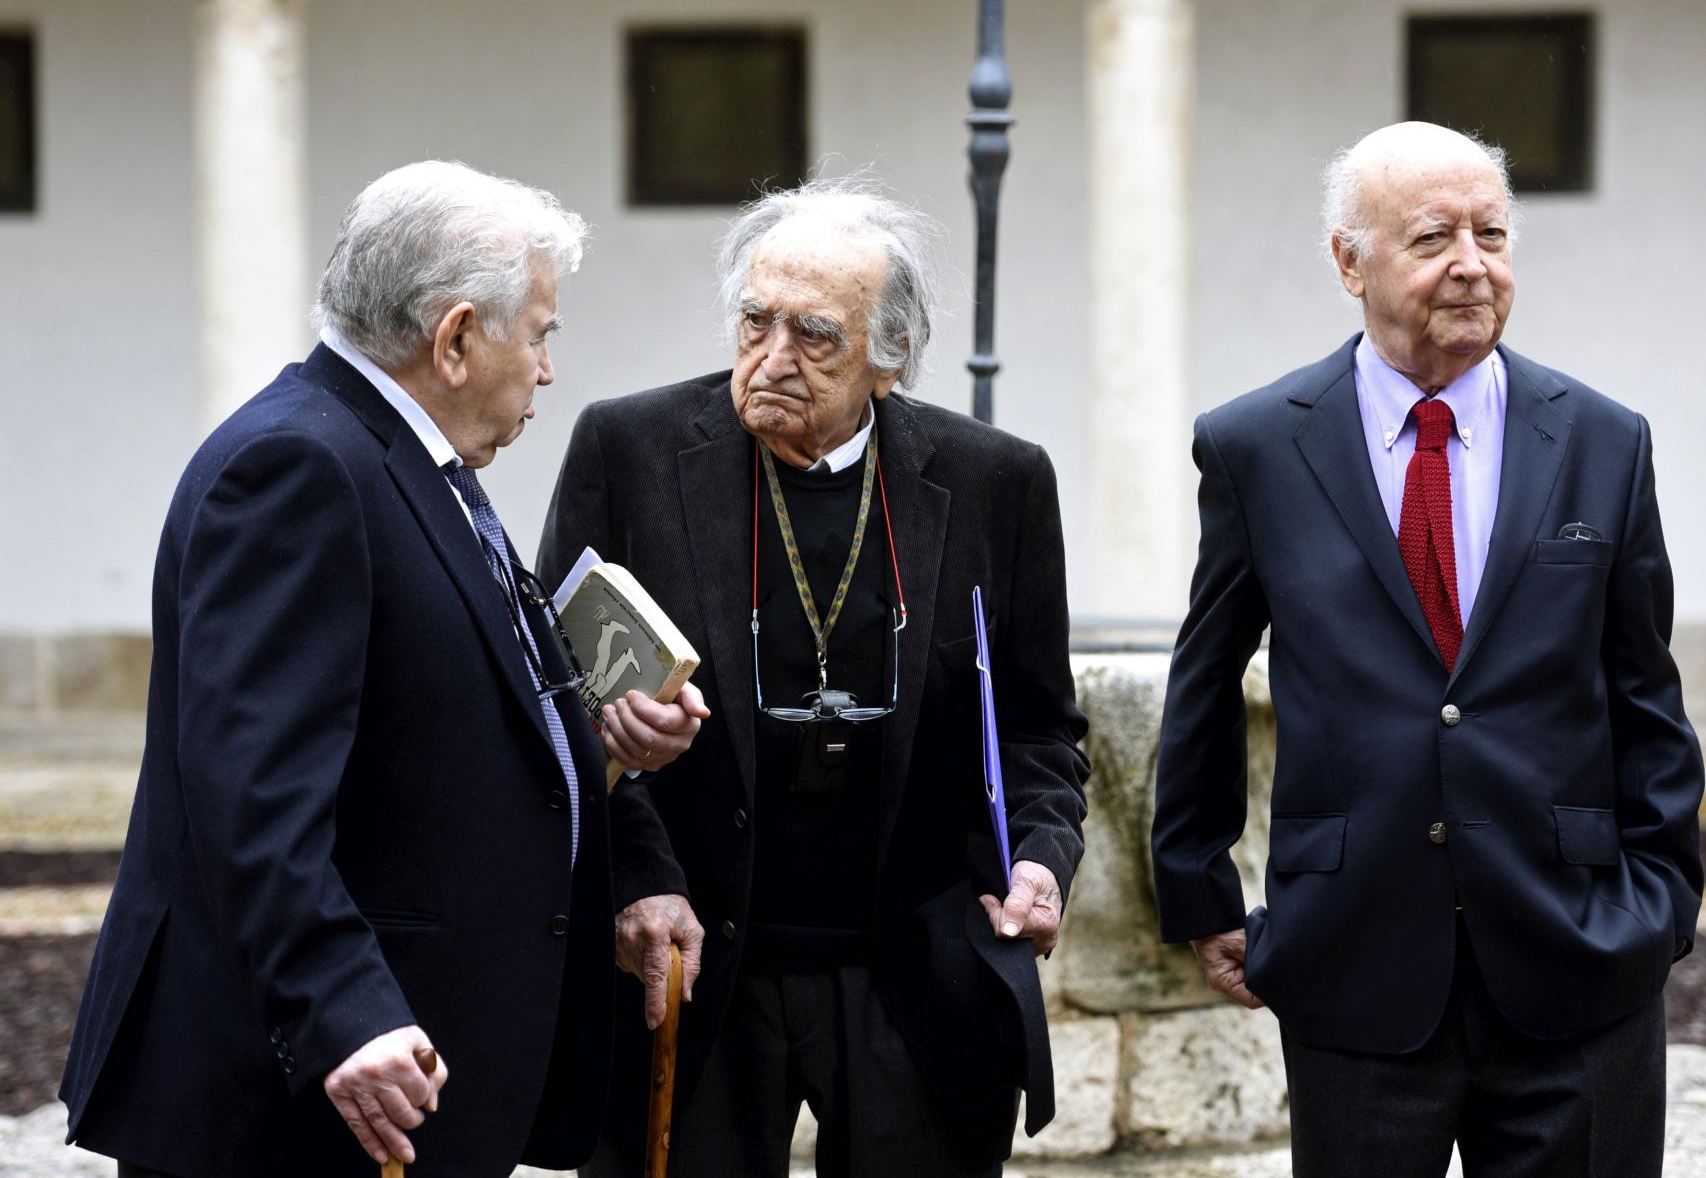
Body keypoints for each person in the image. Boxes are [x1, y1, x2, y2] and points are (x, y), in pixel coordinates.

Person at [60, 161, 708, 1178]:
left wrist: (608, 761)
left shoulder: (411, 455)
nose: (546, 369)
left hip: (406, 1079)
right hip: (309, 1097)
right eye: (538, 332)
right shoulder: (300, 467)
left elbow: (481, 704)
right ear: (453, 340)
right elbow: (250, 790)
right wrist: (343, 1010)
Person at [1151, 121, 1703, 1177]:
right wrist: (1197, 883)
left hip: (1578, 958)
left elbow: (1644, 690)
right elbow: (1205, 675)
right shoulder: (1256, 443)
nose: (1470, 263)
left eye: (1490, 233)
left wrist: (1660, 905)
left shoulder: (1599, 437)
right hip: (1352, 958)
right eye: (1432, 236)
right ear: (1347, 260)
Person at [537, 176, 1090, 1177]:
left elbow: (1040, 727)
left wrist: (1041, 857)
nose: (772, 358)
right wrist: (639, 880)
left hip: (911, 966)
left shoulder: (994, 481)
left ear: (888, 360)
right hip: (692, 953)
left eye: (814, 335)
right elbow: (553, 710)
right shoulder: (628, 450)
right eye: (755, 322)